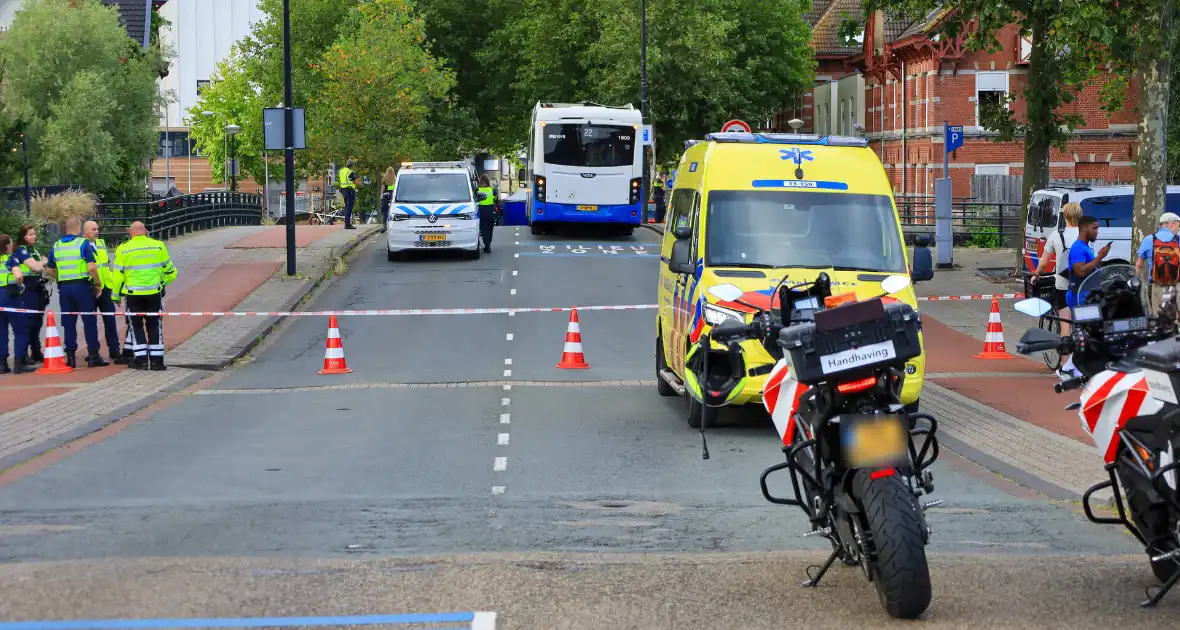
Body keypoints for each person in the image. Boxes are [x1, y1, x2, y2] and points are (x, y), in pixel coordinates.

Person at [110, 221, 177, 370]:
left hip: (133, 294)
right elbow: (172, 271)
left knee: (136, 325)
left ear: (130, 233)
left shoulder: (123, 249)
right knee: (155, 325)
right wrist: (161, 283)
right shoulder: (158, 246)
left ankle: (140, 360)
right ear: (146, 231)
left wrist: (116, 296)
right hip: (154, 292)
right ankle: (157, 361)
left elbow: (118, 276)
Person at [45, 216, 107, 368]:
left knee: (69, 322)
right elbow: (91, 268)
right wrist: (98, 283)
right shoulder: (83, 244)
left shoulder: (57, 245)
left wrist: (60, 277)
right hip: (82, 287)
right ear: (78, 228)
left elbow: (50, 269)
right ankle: (93, 355)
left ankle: (70, 357)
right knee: (89, 320)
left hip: (65, 288)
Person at [1030, 202, 1082, 376]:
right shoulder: (1086, 233)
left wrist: (1036, 274)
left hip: (1063, 284)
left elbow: (1044, 262)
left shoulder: (1056, 235)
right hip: (1082, 284)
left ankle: (1066, 365)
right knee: (1083, 321)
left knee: (1065, 323)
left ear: (1065, 216)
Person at [1066, 215, 1112, 379]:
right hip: (1080, 295)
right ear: (1084, 228)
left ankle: (1072, 366)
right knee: (1087, 334)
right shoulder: (1078, 248)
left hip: (1088, 296)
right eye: (1095, 228)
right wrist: (1099, 258)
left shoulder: (1085, 247)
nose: (1097, 232)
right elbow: (1080, 271)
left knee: (1090, 333)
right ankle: (1071, 367)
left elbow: (1091, 271)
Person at [84, 220, 123, 364]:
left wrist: (114, 289)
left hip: (106, 287)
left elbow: (107, 266)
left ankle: (114, 350)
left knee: (110, 320)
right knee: (91, 322)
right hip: (91, 288)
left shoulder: (101, 243)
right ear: (85, 231)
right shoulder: (82, 245)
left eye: (97, 229)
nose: (96, 231)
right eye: (93, 229)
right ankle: (93, 352)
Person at [10, 224, 48, 363]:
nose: (33, 236)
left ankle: (36, 351)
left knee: (37, 321)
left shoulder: (34, 250)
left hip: (37, 288)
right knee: (28, 322)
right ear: (23, 236)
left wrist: (42, 263)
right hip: (28, 289)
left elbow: (41, 267)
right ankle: (24, 354)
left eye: (34, 234)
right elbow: (36, 267)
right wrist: (43, 262)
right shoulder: (22, 251)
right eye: (30, 234)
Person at [1135, 211, 1180, 313]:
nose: (1179, 229)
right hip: (1176, 286)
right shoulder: (1178, 240)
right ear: (1171, 224)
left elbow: (1138, 265)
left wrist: (1138, 283)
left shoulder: (1149, 239)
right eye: (1178, 225)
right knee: (1176, 321)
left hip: (1157, 285)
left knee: (1158, 319)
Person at [0, 234, 31, 374]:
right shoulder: (10, 258)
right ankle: (19, 362)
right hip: (10, 296)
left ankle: (2, 364)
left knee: (1, 331)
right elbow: (18, 275)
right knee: (20, 329)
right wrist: (21, 284)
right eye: (10, 243)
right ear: (6, 245)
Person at [337, 159, 359, 230]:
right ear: (352, 166)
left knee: (347, 206)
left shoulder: (341, 171)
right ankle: (347, 224)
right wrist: (359, 183)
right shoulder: (351, 172)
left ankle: (347, 223)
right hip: (350, 191)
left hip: (343, 190)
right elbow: (355, 182)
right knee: (349, 207)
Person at [477, 174, 496, 253]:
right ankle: (488, 244)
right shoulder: (492, 189)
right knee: (490, 229)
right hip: (491, 210)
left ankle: (487, 245)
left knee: (483, 228)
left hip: (482, 210)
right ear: (488, 181)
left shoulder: (477, 190)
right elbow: (495, 199)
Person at [379, 166, 395, 233]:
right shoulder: (395, 179)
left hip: (385, 196)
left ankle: (385, 226)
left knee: (385, 211)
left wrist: (381, 195)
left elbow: (383, 187)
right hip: (392, 196)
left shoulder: (385, 178)